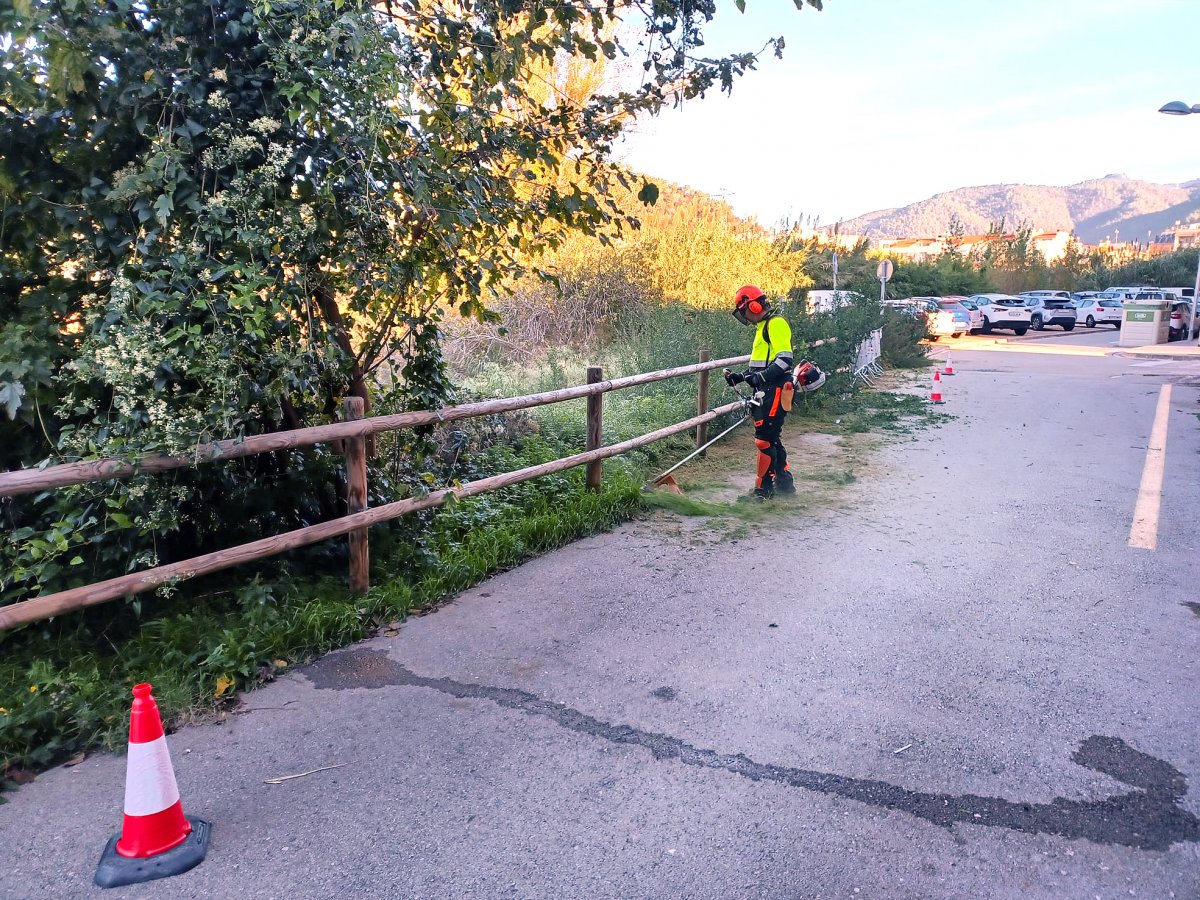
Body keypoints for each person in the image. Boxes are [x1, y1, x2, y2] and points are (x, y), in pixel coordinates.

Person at [724, 285, 796, 500]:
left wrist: (761, 378)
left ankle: (762, 492)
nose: (744, 315)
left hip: (775, 389)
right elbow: (759, 366)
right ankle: (784, 485)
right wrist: (741, 377)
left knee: (764, 440)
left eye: (744, 310)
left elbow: (784, 360)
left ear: (754, 306)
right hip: (766, 390)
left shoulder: (776, 324)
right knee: (772, 438)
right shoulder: (763, 327)